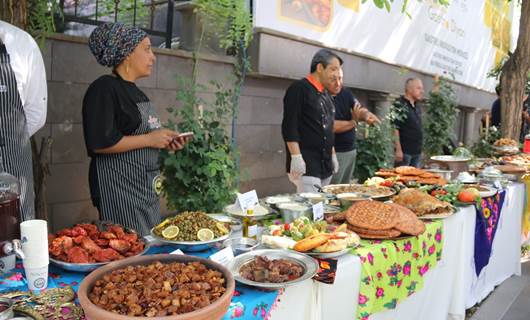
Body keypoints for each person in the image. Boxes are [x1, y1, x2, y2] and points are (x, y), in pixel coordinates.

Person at [83, 23, 189, 235]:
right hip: (120, 191)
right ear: (127, 52)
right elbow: (101, 143)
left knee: (148, 247)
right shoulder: (104, 88)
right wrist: (150, 140)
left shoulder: (137, 93)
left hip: (145, 189)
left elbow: (141, 137)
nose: (153, 57)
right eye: (147, 49)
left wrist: (165, 141)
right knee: (128, 248)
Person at [0, 21, 47, 221]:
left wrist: (8, 143)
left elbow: (35, 114)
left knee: (15, 238)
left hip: (12, 165)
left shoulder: (20, 42)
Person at [282, 49, 342, 192]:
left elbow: (329, 128)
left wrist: (333, 154)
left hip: (326, 165)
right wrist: (296, 156)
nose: (336, 75)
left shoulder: (326, 95)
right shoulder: (299, 89)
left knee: (323, 209)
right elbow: (289, 125)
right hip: (306, 164)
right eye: (333, 69)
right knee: (311, 209)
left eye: (338, 70)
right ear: (320, 68)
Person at [328, 68, 380, 184]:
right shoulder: (322, 96)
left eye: (340, 78)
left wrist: (366, 115)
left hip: (350, 151)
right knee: (331, 192)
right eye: (333, 79)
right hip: (334, 153)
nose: (338, 83)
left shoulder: (345, 92)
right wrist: (353, 122)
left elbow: (358, 109)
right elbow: (330, 126)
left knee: (344, 189)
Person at [392, 78, 424, 168]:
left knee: (414, 180)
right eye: (418, 88)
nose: (422, 91)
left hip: (417, 152)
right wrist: (398, 149)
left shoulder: (417, 106)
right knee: (401, 180)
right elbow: (394, 128)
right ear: (409, 89)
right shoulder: (399, 105)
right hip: (404, 153)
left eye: (422, 88)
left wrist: (421, 150)